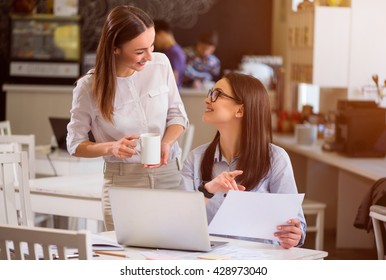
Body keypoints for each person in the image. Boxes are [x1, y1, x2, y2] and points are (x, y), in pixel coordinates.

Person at [67, 5, 189, 231]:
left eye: (152, 46)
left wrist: (166, 142)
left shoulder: (161, 64)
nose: (149, 56)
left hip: (169, 177)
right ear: (115, 49)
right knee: (123, 259)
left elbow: (178, 116)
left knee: (174, 256)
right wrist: (111, 147)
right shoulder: (88, 87)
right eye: (140, 51)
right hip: (123, 183)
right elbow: (75, 144)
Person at [180, 72, 306, 249]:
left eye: (217, 94)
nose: (207, 100)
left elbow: (297, 224)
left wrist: (294, 235)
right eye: (210, 93)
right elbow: (179, 223)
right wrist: (208, 190)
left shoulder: (276, 159)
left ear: (240, 110)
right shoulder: (196, 159)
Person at [154, 19, 186, 88]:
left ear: (161, 33)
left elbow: (173, 80)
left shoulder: (173, 52)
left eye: (155, 38)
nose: (154, 42)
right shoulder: (175, 50)